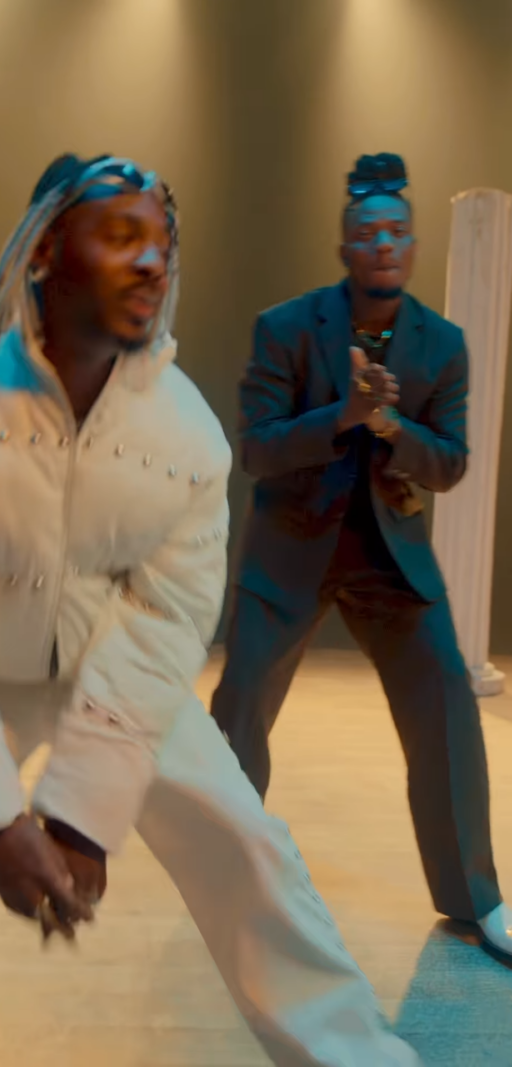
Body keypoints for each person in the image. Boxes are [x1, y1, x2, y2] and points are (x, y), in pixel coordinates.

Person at [0, 153, 421, 1067]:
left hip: (116, 669)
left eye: (163, 244)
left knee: (247, 851)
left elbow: (163, 618)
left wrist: (84, 808)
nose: (152, 261)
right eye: (120, 235)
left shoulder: (185, 433)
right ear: (42, 250)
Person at [211, 152, 512, 964]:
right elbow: (257, 449)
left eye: (397, 231)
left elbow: (449, 462)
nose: (384, 243)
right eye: (368, 231)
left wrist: (389, 427)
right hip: (291, 549)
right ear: (344, 246)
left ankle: (476, 898)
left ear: (413, 246)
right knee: (240, 708)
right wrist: (342, 415)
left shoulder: (442, 344)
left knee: (447, 701)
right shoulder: (285, 327)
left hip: (391, 560)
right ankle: (226, 877)